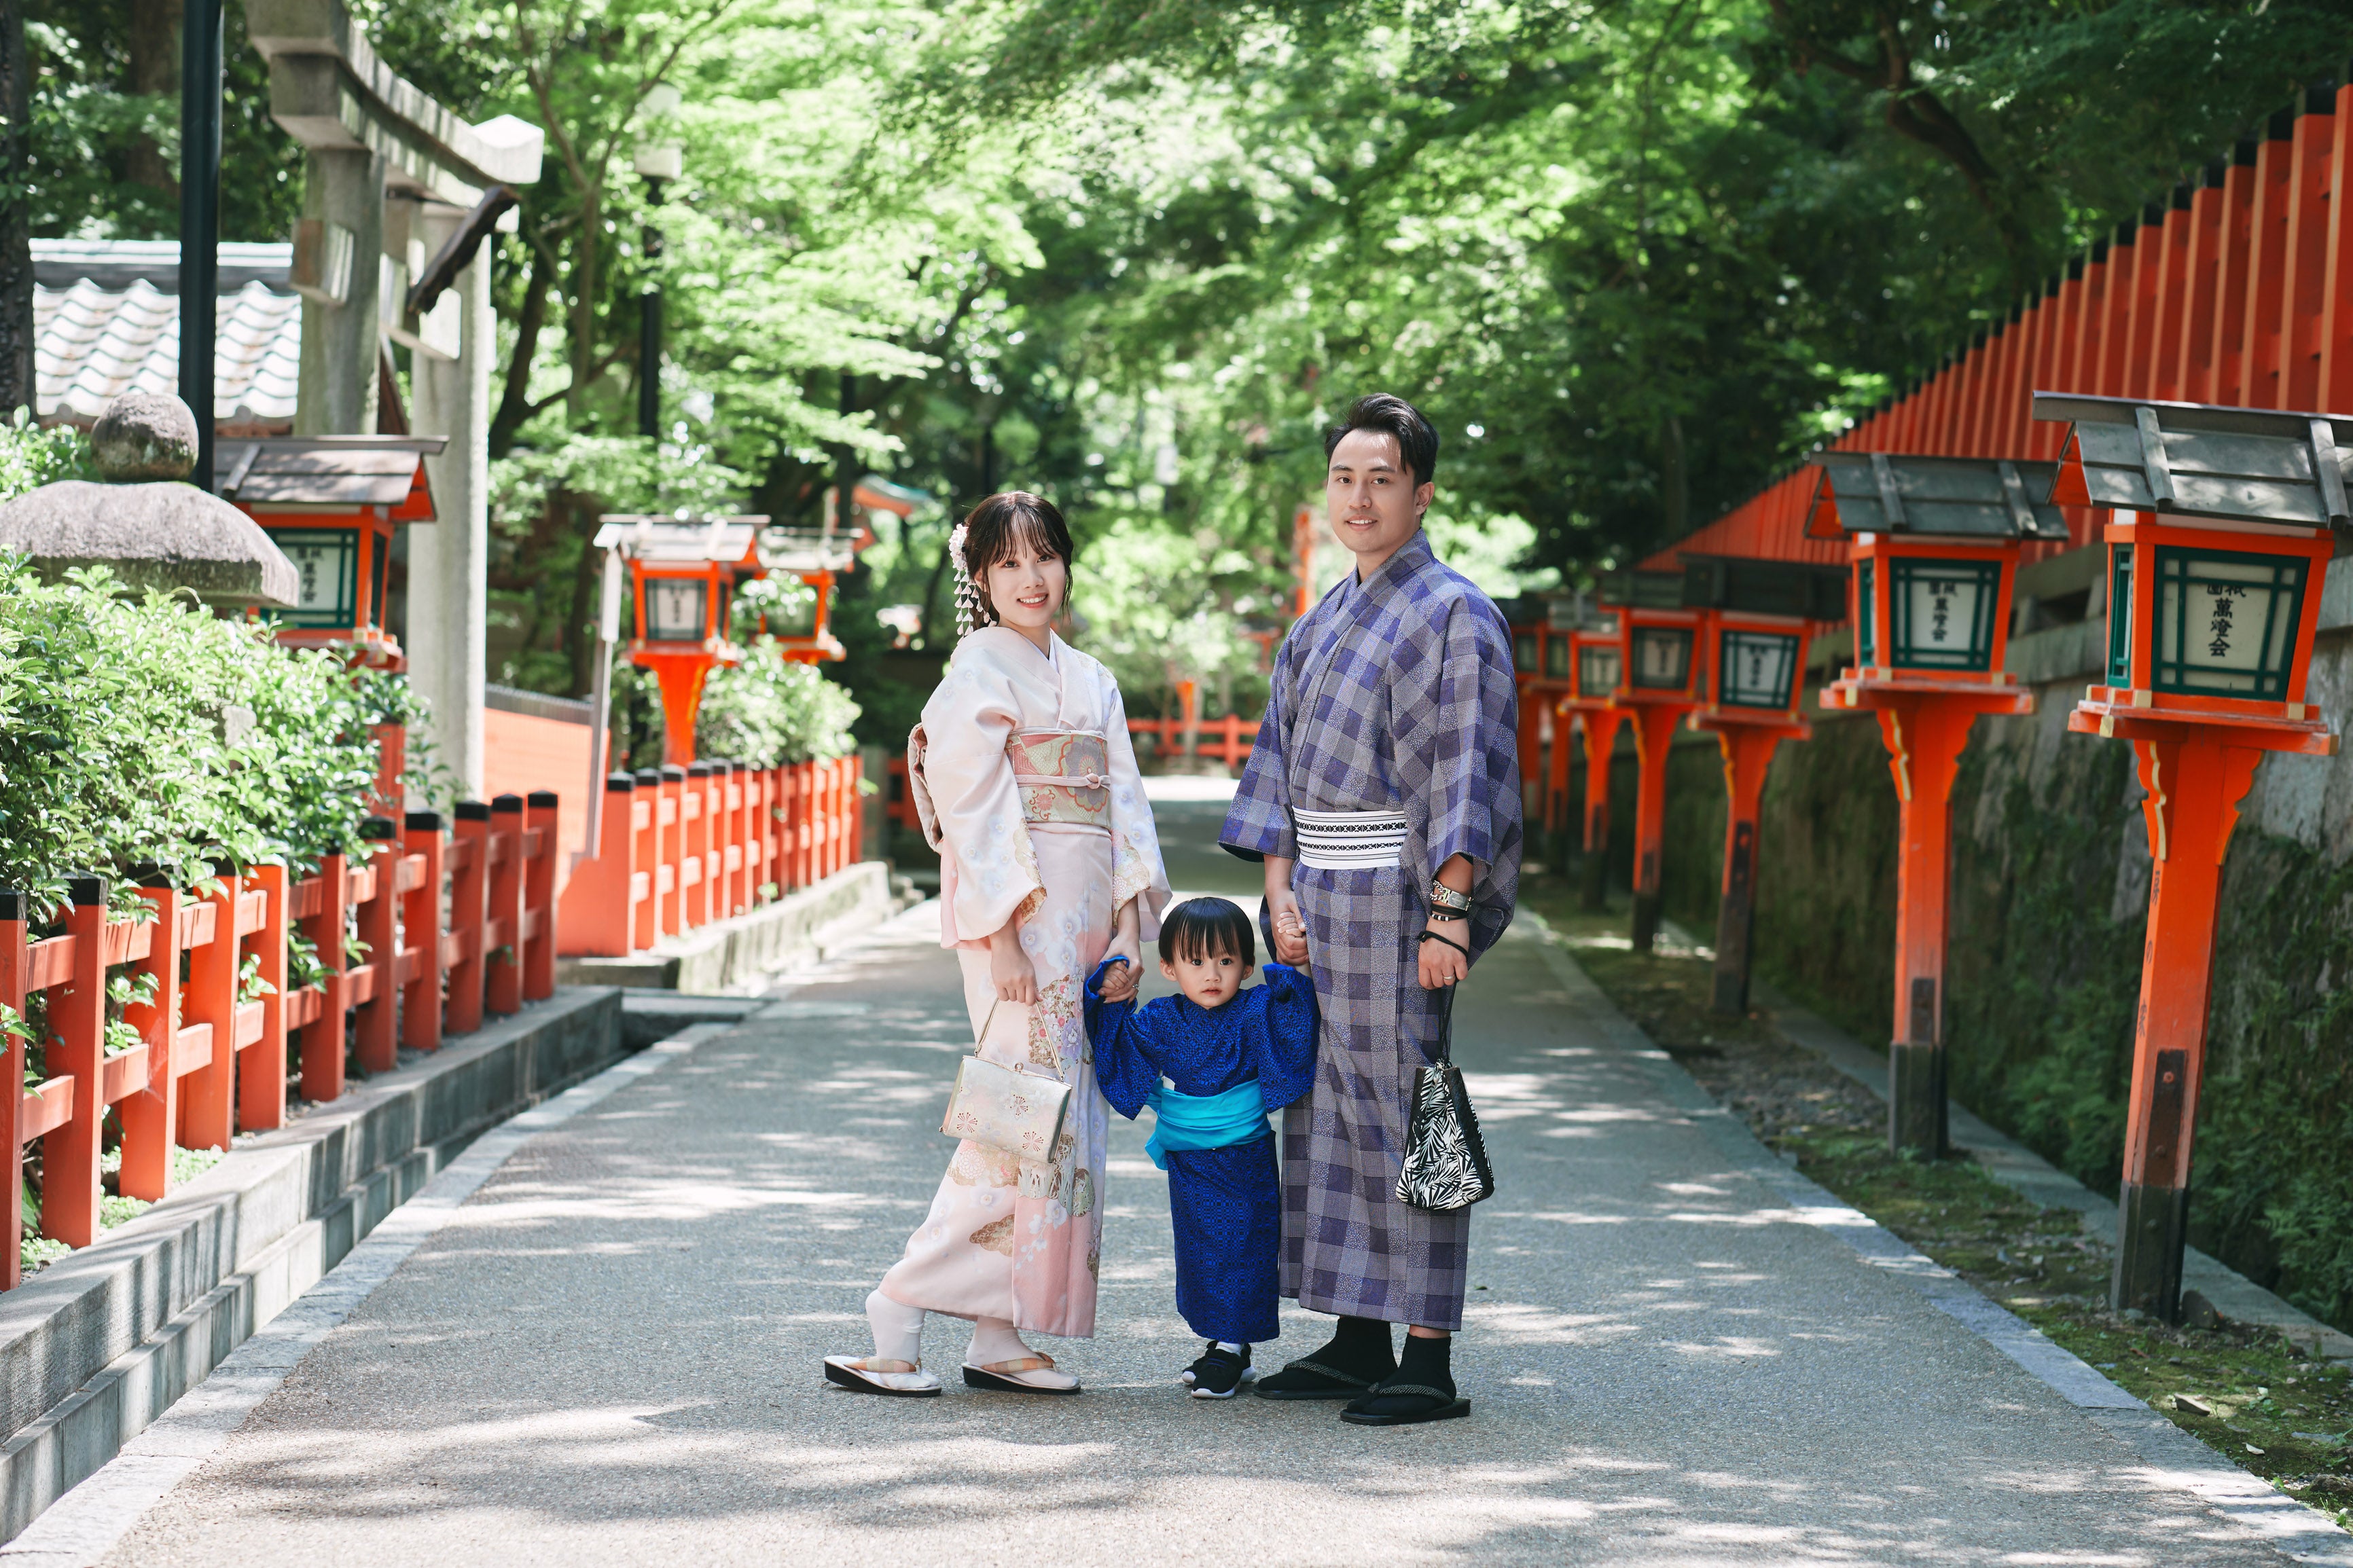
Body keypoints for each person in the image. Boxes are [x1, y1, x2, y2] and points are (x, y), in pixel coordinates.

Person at [824, 490, 1171, 1398]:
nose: (1032, 577)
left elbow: (1125, 808)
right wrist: (1005, 934)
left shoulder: (1091, 678)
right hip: (1018, 928)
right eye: (1009, 563)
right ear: (980, 579)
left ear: (1065, 563)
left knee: (1062, 1130)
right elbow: (977, 810)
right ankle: (897, 1309)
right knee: (1014, 1123)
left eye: (1044, 556)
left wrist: (1132, 929)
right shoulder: (976, 671)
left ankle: (999, 1327)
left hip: (1089, 927)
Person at [1220, 393, 1522, 1427]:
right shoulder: (1318, 621)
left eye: (1381, 478)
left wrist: (1451, 913)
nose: (1360, 496)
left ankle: (1427, 1355)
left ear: (1422, 493)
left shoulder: (1453, 613)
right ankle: (1355, 1334)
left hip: (1400, 901)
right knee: (1328, 1113)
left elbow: (1463, 772)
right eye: (1345, 477)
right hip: (1317, 902)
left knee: (1409, 1111)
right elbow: (1278, 765)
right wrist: (1277, 889)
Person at [1082, 897, 1320, 1398]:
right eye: (1195, 961)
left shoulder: (1256, 1008)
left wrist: (1292, 973)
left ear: (1247, 966)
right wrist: (1116, 998)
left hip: (1244, 1157)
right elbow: (1121, 1046)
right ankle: (1224, 1343)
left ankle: (1232, 1350)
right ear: (1168, 967)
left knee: (1245, 1245)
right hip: (1190, 1161)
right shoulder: (1163, 1018)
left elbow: (1294, 1029)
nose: (1212, 974)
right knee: (1202, 1250)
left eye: (1226, 961)